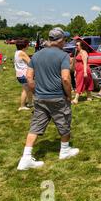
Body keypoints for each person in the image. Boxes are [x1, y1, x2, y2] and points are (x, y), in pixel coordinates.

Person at [17, 27, 79, 171]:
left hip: (40, 97)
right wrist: (69, 95)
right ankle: (64, 151)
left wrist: (35, 91)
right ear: (61, 40)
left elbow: (29, 77)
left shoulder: (36, 55)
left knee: (35, 125)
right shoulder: (63, 56)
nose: (66, 42)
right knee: (64, 122)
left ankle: (25, 158)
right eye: (65, 39)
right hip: (58, 97)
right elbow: (65, 78)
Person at [14, 39, 33, 111]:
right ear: (24, 46)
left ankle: (30, 103)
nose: (28, 45)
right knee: (25, 90)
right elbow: (30, 62)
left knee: (29, 89)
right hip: (24, 74)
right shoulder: (22, 53)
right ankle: (22, 106)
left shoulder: (17, 52)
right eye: (27, 44)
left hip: (20, 74)